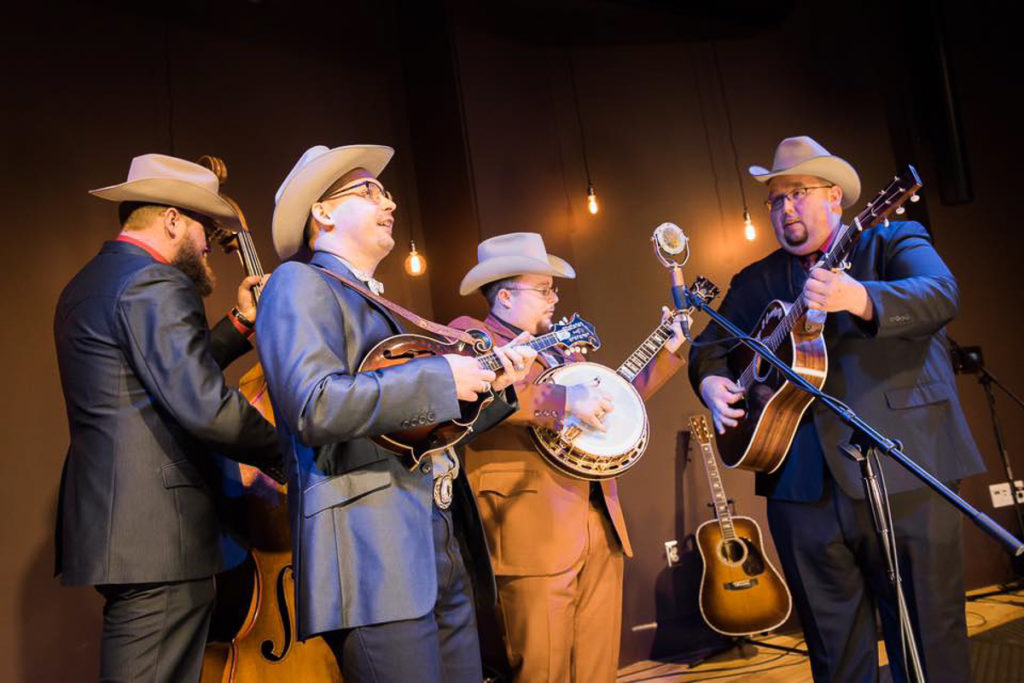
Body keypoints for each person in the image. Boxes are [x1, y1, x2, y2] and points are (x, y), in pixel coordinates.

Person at [688, 135, 986, 682]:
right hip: (800, 489)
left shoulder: (892, 239)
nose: (785, 208)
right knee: (834, 651)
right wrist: (711, 384)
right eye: (775, 199)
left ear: (835, 198)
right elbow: (709, 348)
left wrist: (862, 298)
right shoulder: (756, 281)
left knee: (929, 638)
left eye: (797, 193)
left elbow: (941, 293)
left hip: (902, 468)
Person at [254, 144, 536, 682]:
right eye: (369, 191)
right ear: (324, 212)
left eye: (386, 192)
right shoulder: (297, 283)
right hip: (372, 557)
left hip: (436, 542)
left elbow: (419, 433)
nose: (389, 202)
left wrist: (489, 386)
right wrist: (439, 378)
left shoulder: (376, 302)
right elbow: (313, 405)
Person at [54, 154, 286, 682]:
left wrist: (240, 324)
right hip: (161, 535)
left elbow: (159, 373)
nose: (209, 244)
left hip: (124, 528)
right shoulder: (156, 283)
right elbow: (204, 405)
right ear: (173, 220)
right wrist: (288, 454)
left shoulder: (93, 282)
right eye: (204, 226)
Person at [448, 232, 687, 682]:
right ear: (503, 296)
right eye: (543, 289)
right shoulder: (469, 337)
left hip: (599, 521)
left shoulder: (560, 346)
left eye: (553, 289)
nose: (555, 299)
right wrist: (562, 400)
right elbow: (480, 397)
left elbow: (609, 405)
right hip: (530, 532)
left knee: (597, 672)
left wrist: (666, 353)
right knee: (544, 671)